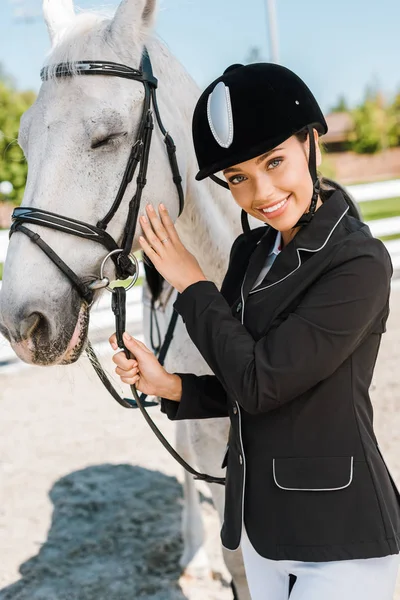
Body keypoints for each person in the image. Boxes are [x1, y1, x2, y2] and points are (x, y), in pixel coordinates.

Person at [110, 63, 400, 599]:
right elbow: (244, 380)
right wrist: (169, 385)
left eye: (274, 162)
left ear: (311, 143)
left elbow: (262, 383)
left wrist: (192, 281)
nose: (261, 192)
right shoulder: (252, 253)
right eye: (238, 177)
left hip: (340, 538)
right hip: (259, 530)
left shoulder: (360, 263)